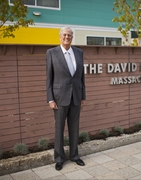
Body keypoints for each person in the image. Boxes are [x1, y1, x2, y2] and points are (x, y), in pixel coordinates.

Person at [46, 27, 86, 171]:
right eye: (64, 35)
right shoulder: (51, 53)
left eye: (69, 35)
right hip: (59, 98)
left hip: (76, 97)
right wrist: (50, 99)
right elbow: (49, 78)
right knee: (59, 129)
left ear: (72, 37)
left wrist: (83, 96)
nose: (67, 37)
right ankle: (59, 158)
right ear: (60, 36)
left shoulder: (79, 53)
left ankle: (74, 156)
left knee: (74, 128)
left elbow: (81, 77)